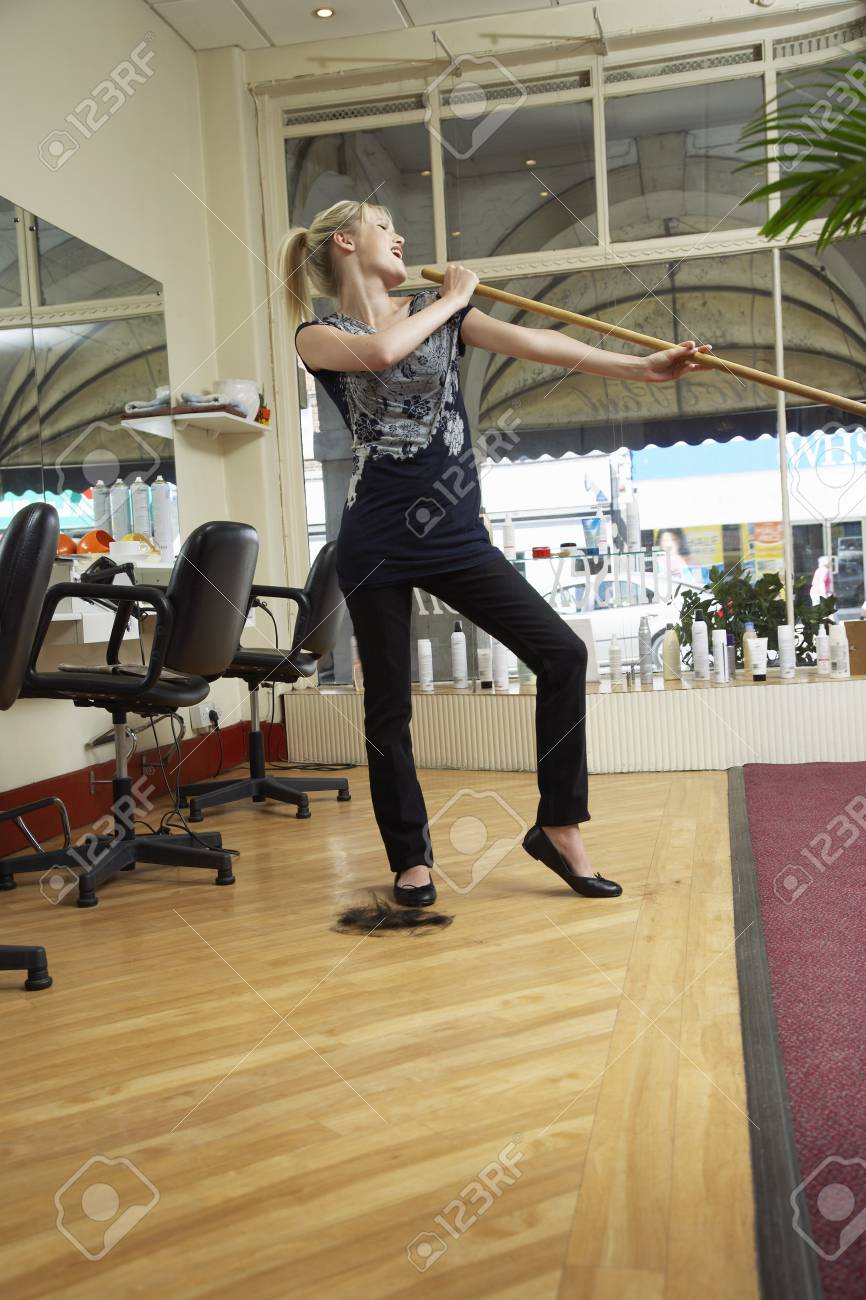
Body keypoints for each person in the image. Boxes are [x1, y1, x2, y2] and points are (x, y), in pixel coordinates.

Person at [284, 200, 712, 907]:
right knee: (388, 708)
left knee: (561, 653)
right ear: (346, 241)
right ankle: (411, 859)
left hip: (456, 537)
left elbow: (541, 346)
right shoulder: (319, 334)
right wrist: (451, 299)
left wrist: (643, 370)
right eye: (386, 224)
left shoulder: (442, 313)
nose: (399, 234)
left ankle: (559, 826)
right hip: (377, 542)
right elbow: (383, 354)